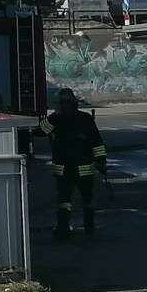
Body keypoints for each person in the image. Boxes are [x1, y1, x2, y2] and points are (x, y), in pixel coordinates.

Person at [38, 89, 106, 239]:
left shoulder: (56, 119)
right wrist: (101, 162)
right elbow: (97, 142)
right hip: (82, 168)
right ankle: (88, 228)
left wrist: (53, 115)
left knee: (65, 200)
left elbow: (39, 131)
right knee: (85, 200)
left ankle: (64, 228)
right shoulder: (84, 118)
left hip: (65, 169)